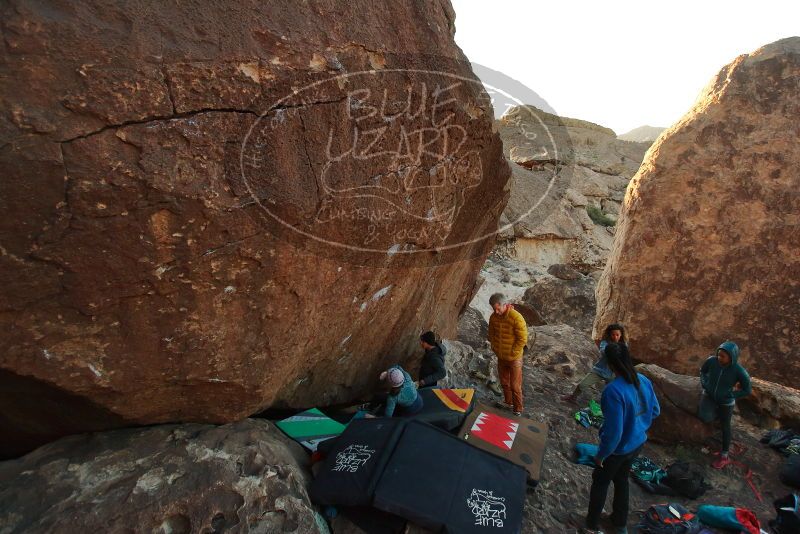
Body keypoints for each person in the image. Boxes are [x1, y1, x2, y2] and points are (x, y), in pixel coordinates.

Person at [585, 342, 660, 534]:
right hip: (637, 443)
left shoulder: (613, 391)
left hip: (618, 450)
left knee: (600, 482)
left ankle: (591, 525)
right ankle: (620, 524)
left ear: (609, 364)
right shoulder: (643, 380)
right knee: (621, 480)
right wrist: (638, 426)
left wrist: (601, 455)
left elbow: (614, 433)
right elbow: (655, 411)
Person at [698, 340, 751, 469]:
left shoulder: (739, 371)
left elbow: (747, 390)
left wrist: (732, 395)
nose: (719, 357)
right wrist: (704, 383)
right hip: (709, 395)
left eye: (723, 356)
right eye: (718, 354)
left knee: (725, 426)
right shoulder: (711, 361)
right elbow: (703, 371)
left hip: (725, 402)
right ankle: (715, 418)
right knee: (704, 416)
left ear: (731, 357)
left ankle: (724, 455)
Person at [562, 323, 627, 404]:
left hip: (613, 374)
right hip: (599, 370)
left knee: (611, 392)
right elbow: (603, 351)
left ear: (621, 335)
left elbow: (624, 357)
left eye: (617, 335)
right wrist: (613, 350)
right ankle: (573, 397)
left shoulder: (624, 345)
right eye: (613, 335)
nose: (615, 337)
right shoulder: (605, 343)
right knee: (582, 385)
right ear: (609, 334)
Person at [487, 293, 528, 416]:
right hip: (501, 356)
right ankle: (508, 402)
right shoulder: (493, 317)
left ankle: (518, 409)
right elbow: (491, 334)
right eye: (494, 309)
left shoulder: (516, 317)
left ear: (504, 305)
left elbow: (523, 339)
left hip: (514, 358)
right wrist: (495, 348)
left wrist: (513, 352)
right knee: (504, 382)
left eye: (497, 309)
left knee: (515, 386)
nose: (496, 312)